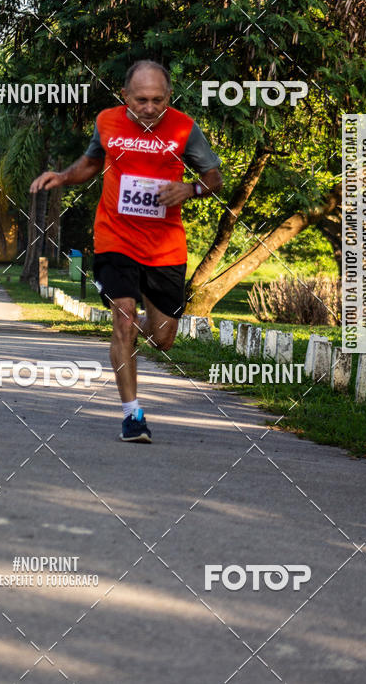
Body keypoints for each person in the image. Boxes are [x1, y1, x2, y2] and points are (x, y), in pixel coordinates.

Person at [30, 60, 222, 442]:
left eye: (158, 100)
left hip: (166, 245)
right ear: (125, 97)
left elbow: (213, 178)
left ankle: (145, 319)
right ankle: (132, 415)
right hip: (115, 236)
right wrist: (64, 177)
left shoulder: (184, 128)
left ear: (169, 96)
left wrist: (190, 189)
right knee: (124, 317)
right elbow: (90, 164)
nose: (150, 108)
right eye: (141, 100)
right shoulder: (107, 122)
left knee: (163, 338)